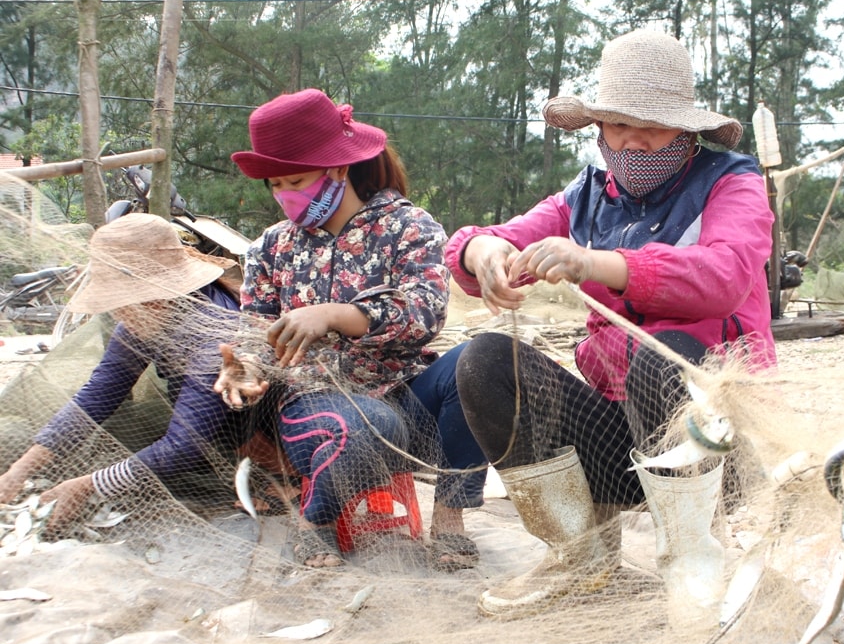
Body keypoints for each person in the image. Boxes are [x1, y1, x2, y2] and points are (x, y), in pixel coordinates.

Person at [445, 30, 777, 618]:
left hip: (717, 438)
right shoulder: (587, 195)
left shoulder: (733, 182)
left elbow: (725, 276)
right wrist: (483, 254)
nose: (631, 142)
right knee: (485, 361)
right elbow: (488, 238)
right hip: (618, 440)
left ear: (688, 131)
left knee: (665, 356)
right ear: (597, 128)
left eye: (651, 127)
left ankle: (694, 558)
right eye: (617, 126)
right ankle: (581, 555)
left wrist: (596, 263)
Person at [218, 88, 487, 569]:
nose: (285, 197)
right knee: (371, 424)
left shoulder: (408, 226)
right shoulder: (270, 249)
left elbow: (426, 310)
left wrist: (337, 314)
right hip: (315, 409)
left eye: (296, 180)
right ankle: (314, 522)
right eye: (275, 185)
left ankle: (450, 517)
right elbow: (256, 335)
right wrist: (244, 368)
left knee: (481, 361)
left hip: (408, 398)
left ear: (338, 168)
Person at [0, 213, 264, 529]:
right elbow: (97, 395)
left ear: (155, 296)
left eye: (123, 301)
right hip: (200, 429)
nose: (118, 312)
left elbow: (185, 445)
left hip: (248, 439)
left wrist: (88, 486)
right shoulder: (146, 319)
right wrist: (20, 470)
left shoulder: (215, 334)